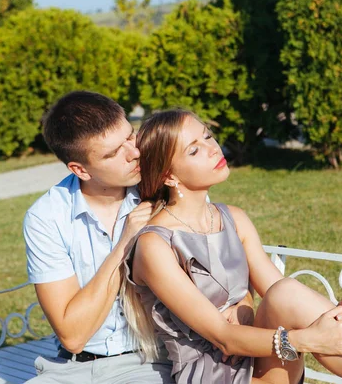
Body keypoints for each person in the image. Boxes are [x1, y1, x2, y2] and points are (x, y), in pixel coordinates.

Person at [121, 109, 342, 384]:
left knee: (288, 293)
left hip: (259, 350)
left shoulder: (233, 218)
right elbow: (224, 338)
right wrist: (310, 338)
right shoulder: (154, 245)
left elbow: (283, 295)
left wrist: (341, 322)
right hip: (215, 372)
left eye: (208, 136)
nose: (214, 149)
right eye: (195, 150)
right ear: (169, 176)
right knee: (316, 322)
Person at [23, 91, 257, 384]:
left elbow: (222, 257)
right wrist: (124, 245)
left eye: (129, 136)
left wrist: (244, 302)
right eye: (112, 153)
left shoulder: (159, 186)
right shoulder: (47, 217)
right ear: (80, 170)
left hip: (154, 360)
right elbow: (72, 336)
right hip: (72, 368)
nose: (134, 153)